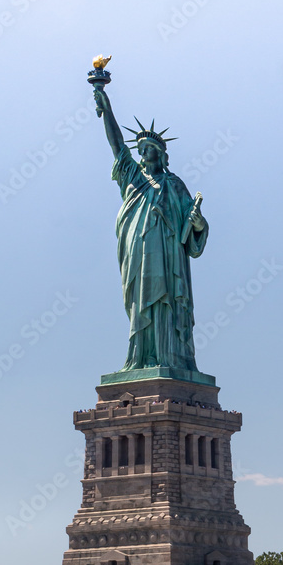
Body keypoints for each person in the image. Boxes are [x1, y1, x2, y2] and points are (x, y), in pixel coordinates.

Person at [93, 83, 209, 372]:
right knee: (140, 300)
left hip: (169, 255)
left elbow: (193, 231)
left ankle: (170, 359)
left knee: (167, 300)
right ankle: (140, 359)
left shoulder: (174, 185)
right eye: (142, 149)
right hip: (139, 248)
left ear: (161, 154)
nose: (146, 153)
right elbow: (116, 145)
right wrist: (106, 107)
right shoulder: (132, 176)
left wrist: (197, 223)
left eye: (151, 150)